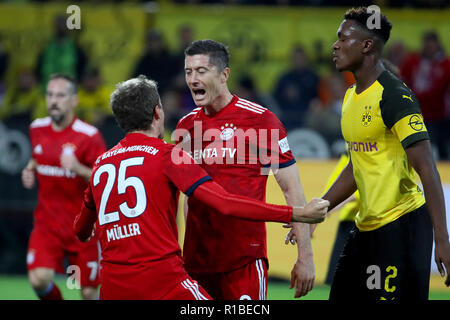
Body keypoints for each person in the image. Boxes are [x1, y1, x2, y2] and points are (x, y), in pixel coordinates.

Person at [73, 75, 329, 300]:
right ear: (157, 113)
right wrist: (296, 214)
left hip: (113, 286)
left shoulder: (100, 164)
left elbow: (81, 230)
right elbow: (225, 203)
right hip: (162, 281)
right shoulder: (168, 155)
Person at [322, 7, 450, 300]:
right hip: (366, 226)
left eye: (343, 38)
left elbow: (428, 169)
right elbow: (358, 163)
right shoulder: (351, 96)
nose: (335, 44)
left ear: (367, 46)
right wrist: (320, 208)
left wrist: (442, 241)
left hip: (402, 226)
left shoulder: (395, 97)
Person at [174, 39, 316, 300]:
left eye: (201, 71)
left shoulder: (260, 121)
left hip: (244, 261)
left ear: (224, 74)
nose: (193, 79)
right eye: (188, 72)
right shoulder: (186, 127)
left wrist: (305, 257)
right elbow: (188, 198)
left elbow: (291, 189)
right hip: (197, 264)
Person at [21, 73, 106, 300]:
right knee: (39, 280)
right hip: (47, 226)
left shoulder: (89, 136)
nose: (53, 100)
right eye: (49, 94)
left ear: (74, 100)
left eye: (60, 95)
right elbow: (38, 157)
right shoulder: (37, 128)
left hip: (83, 230)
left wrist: (78, 168)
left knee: (88, 294)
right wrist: (29, 169)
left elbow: (105, 180)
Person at [400, 31, 450, 160]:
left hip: (438, 115)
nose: (429, 47)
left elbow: (440, 89)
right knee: (415, 147)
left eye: (432, 44)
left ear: (438, 45)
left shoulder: (446, 64)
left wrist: (417, 96)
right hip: (414, 112)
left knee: (438, 149)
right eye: (426, 44)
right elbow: (402, 80)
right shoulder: (412, 61)